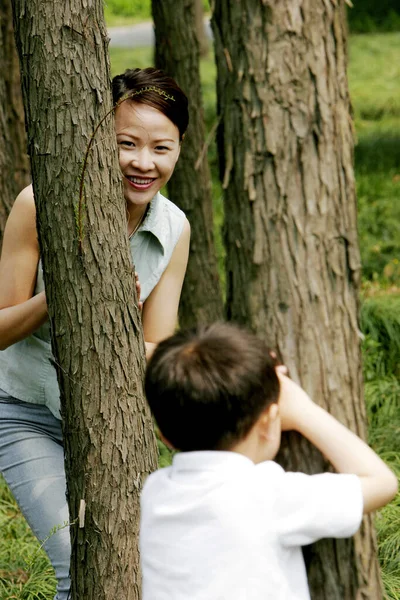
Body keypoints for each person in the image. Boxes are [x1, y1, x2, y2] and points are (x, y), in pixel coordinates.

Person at [0, 67, 190, 600]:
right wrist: (60, 298)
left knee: (131, 566)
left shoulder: (174, 228)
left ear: (179, 151)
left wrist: (118, 322)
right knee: (76, 565)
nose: (142, 163)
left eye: (162, 148)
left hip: (112, 419)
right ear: (96, 138)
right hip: (24, 411)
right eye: (126, 143)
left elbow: (156, 346)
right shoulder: (38, 204)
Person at [142, 322, 398, 600]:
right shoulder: (267, 495)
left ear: (164, 436)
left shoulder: (156, 492)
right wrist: (303, 411)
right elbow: (383, 483)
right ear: (268, 421)